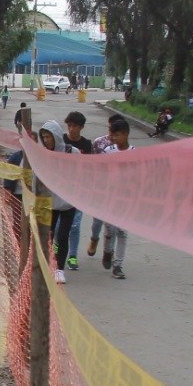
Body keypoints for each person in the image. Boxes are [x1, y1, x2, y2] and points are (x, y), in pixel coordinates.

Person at [37, 120, 77, 284]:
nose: (46, 140)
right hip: (49, 202)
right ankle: (47, 264)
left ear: (56, 136)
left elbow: (81, 173)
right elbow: (36, 177)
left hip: (68, 202)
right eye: (44, 137)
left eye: (49, 137)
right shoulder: (42, 154)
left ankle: (60, 269)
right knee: (48, 235)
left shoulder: (72, 152)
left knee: (63, 235)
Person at [86, 112, 128, 262]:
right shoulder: (99, 143)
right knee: (98, 220)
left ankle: (111, 254)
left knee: (118, 226)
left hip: (120, 192)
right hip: (101, 189)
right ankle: (94, 239)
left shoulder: (127, 149)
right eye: (112, 129)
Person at [98, 117, 133, 279]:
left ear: (126, 134)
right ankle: (107, 251)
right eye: (113, 135)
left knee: (122, 232)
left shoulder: (134, 153)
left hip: (126, 199)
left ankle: (118, 265)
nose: (114, 138)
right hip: (110, 198)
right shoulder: (108, 151)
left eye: (117, 135)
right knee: (110, 229)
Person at [62, 112, 95, 271]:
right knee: (59, 226)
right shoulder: (61, 140)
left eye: (75, 126)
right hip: (62, 188)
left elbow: (89, 167)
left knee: (74, 225)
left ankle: (73, 256)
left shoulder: (87, 144)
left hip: (79, 189)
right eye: (69, 125)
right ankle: (57, 252)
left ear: (81, 127)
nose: (71, 129)